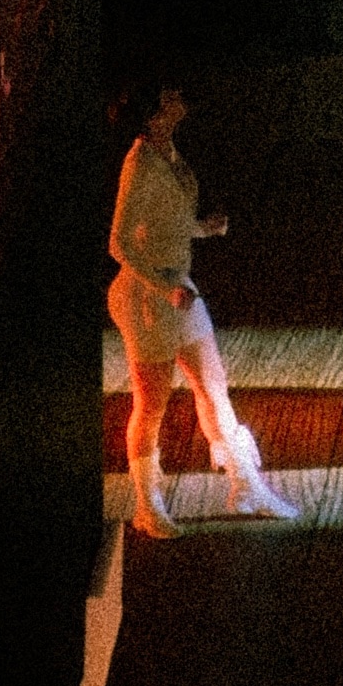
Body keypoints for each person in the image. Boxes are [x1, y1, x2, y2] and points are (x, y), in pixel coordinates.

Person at [110, 79, 300, 534]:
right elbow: (119, 243)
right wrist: (162, 287)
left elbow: (164, 223)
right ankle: (147, 503)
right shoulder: (138, 165)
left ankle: (246, 486)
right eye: (167, 97)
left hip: (178, 287)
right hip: (146, 298)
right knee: (152, 403)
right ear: (154, 116)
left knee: (213, 387)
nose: (178, 96)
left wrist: (202, 229)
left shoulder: (168, 151)